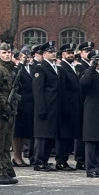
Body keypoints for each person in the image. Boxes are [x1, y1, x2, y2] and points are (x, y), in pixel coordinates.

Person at [31, 42, 60, 171]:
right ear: (43, 55)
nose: (53, 53)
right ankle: (38, 161)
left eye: (54, 51)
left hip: (53, 107)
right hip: (45, 107)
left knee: (49, 135)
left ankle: (45, 160)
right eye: (50, 52)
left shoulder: (54, 67)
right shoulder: (41, 68)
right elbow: (38, 91)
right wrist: (41, 109)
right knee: (42, 136)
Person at [0, 42, 18, 185]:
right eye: (4, 53)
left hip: (10, 110)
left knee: (6, 142)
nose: (7, 55)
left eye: (9, 53)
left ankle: (5, 168)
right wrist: (4, 104)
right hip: (0, 110)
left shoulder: (11, 69)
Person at [79, 50, 99, 177]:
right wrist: (91, 67)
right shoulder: (88, 72)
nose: (98, 63)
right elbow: (84, 82)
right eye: (96, 60)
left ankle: (98, 166)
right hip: (92, 112)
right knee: (91, 141)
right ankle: (90, 168)